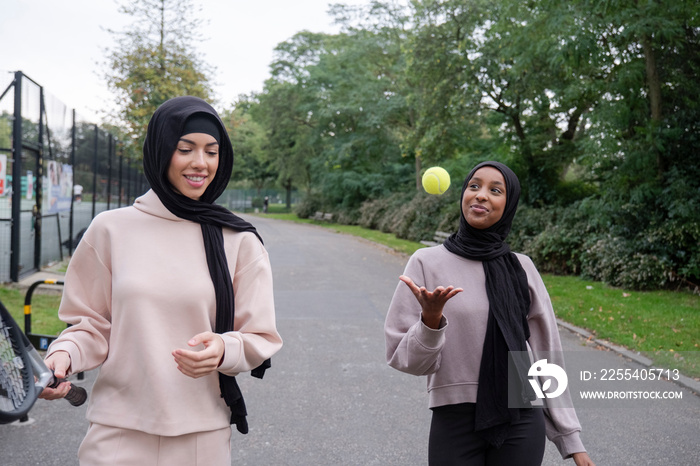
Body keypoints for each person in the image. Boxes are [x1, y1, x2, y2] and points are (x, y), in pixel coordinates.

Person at [39, 96, 283, 465]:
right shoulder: (110, 229)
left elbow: (260, 336)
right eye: (185, 149)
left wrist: (224, 348)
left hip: (202, 435)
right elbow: (90, 325)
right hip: (117, 431)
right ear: (161, 150)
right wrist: (62, 356)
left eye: (211, 151)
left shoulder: (239, 240)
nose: (200, 163)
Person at [384, 161, 594, 466]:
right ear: (463, 195)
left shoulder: (522, 267)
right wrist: (430, 323)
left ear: (508, 206)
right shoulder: (425, 263)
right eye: (474, 186)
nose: (481, 195)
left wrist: (571, 439)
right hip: (454, 417)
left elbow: (547, 357)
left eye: (495, 190)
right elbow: (405, 360)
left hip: (521, 414)